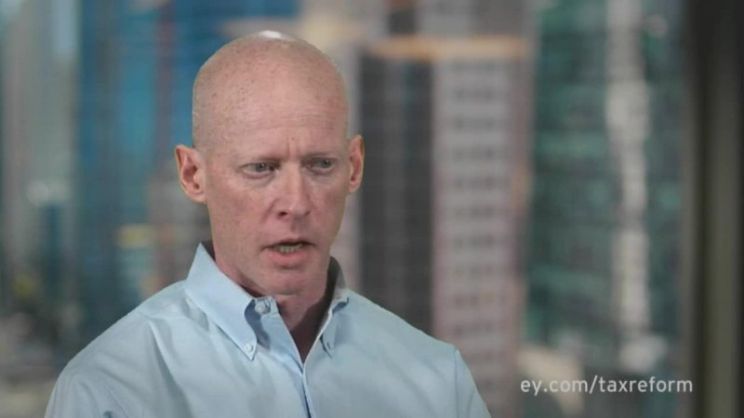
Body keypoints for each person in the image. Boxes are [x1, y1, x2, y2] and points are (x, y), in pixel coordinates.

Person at [45, 31, 490, 418]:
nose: (295, 203)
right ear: (193, 175)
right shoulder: (109, 392)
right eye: (261, 168)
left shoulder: (439, 379)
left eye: (320, 164)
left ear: (354, 167)